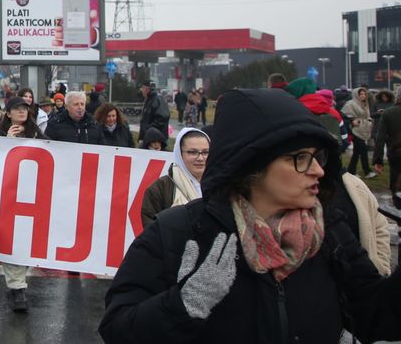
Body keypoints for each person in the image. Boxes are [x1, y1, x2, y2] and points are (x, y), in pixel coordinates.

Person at [101, 88, 401, 343]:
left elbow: (377, 316)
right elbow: (117, 329)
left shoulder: (330, 232)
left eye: (318, 157)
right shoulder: (179, 232)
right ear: (251, 167)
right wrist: (184, 304)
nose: (317, 170)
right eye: (299, 158)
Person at [0, 96, 45, 310]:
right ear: (9, 113)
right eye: (17, 109)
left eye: (25, 108)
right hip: (8, 195)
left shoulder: (38, 134)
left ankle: (19, 282)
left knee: (27, 239)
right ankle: (17, 288)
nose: (22, 111)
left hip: (33, 195)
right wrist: (6, 141)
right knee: (10, 239)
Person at [140, 127, 209, 229]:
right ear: (179, 154)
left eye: (205, 152)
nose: (200, 158)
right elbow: (152, 233)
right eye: (192, 152)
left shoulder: (220, 188)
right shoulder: (158, 189)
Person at [373, 91, 401, 205]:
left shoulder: (388, 113)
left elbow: (380, 139)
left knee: (395, 180)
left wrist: (378, 160)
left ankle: (398, 210)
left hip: (395, 153)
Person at [341, 87, 376, 178]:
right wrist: (352, 121)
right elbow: (345, 116)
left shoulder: (364, 104)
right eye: (361, 94)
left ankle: (351, 171)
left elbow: (366, 115)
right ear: (356, 94)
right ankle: (367, 171)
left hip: (363, 129)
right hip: (355, 130)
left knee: (357, 152)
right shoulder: (351, 104)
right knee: (363, 150)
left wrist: (375, 115)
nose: (363, 96)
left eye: (364, 94)